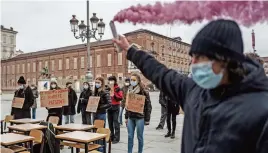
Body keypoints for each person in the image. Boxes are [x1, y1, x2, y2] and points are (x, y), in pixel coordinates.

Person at [113, 19, 268, 153]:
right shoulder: (193, 90)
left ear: (225, 60)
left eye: (200, 57)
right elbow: (160, 72)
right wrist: (129, 50)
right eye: (192, 56)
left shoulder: (261, 111)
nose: (192, 63)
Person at [125, 73, 152, 153]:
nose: (132, 81)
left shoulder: (144, 92)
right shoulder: (129, 90)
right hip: (130, 117)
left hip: (140, 117)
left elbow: (148, 106)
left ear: (138, 81)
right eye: (131, 80)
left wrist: (147, 119)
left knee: (139, 137)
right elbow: (127, 105)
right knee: (130, 136)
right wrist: (126, 117)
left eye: (134, 80)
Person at [107, 76, 123, 144]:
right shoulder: (108, 88)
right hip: (109, 107)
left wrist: (114, 94)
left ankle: (117, 138)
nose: (111, 81)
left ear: (115, 81)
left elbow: (120, 97)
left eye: (112, 80)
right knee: (110, 123)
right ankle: (111, 137)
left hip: (116, 107)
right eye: (110, 80)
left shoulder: (118, 88)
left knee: (116, 123)